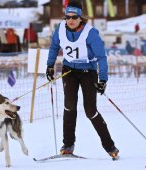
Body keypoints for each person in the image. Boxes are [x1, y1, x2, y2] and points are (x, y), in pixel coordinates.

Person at [46, 1, 119, 159]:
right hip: (69, 72)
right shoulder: (60, 29)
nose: (70, 20)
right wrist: (50, 65)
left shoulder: (90, 33)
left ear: (81, 18)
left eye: (74, 17)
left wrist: (103, 79)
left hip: (88, 72)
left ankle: (110, 146)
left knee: (90, 111)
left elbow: (101, 57)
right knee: (69, 106)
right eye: (68, 17)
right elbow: (53, 47)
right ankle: (68, 144)